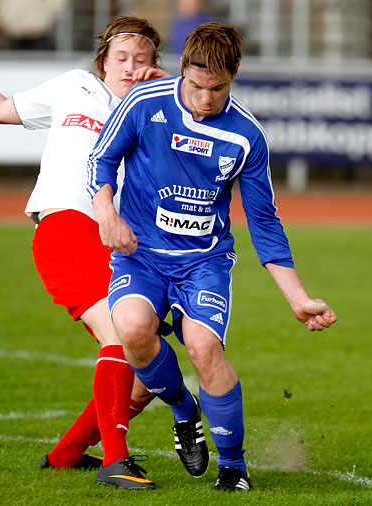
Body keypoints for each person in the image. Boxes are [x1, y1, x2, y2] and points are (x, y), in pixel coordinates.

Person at [87, 22, 337, 492]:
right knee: (135, 332)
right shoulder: (143, 104)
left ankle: (234, 466)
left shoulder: (247, 137)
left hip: (204, 262)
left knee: (203, 349)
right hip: (140, 255)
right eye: (196, 85)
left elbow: (265, 224)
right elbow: (101, 159)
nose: (205, 99)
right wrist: (106, 211)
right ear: (182, 69)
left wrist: (298, 298)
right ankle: (185, 411)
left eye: (216, 88)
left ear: (234, 77)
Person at [0, 16, 169, 490]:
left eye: (141, 60)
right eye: (120, 57)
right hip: (64, 227)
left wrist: (170, 94)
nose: (130, 67)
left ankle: (65, 455)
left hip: (116, 243)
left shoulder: (157, 111)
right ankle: (115, 461)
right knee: (120, 338)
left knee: (148, 370)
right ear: (103, 61)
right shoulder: (76, 86)